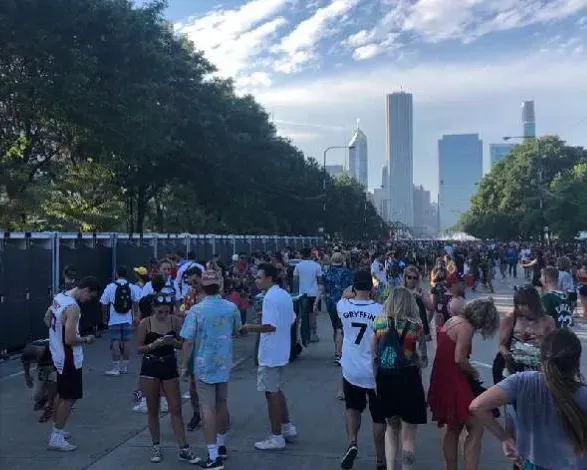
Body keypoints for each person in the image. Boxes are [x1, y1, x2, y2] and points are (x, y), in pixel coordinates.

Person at [470, 328, 587, 469]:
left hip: (532, 464)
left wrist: (505, 438)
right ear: (576, 362)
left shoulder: (522, 381)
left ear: (542, 356)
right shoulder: (582, 394)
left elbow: (477, 406)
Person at [427, 298, 500, 470]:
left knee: (453, 427)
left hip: (442, 377)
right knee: (476, 425)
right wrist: (473, 371)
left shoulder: (453, 320)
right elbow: (459, 358)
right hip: (454, 379)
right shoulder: (466, 327)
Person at [180, 270, 242, 469]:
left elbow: (188, 341)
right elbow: (237, 330)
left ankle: (213, 454)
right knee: (222, 403)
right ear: (220, 286)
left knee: (207, 408)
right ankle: (222, 446)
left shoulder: (196, 311)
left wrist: (184, 365)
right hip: (223, 363)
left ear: (202, 287)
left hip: (203, 365)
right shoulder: (231, 308)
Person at [136, 292, 200, 464]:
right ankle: (156, 445)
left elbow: (184, 344)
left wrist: (173, 343)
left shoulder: (175, 321)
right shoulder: (145, 323)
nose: (164, 315)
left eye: (167, 311)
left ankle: (183, 448)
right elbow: (139, 348)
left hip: (169, 365)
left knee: (175, 408)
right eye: (160, 312)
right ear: (153, 309)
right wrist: (154, 344)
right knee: (152, 409)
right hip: (150, 366)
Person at [241, 263, 297, 450]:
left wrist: (249, 327)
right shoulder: (283, 295)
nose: (257, 280)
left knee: (270, 393)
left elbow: (269, 326)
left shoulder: (270, 298)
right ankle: (287, 427)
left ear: (270, 278)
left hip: (271, 353)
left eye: (259, 277)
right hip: (281, 350)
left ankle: (276, 436)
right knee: (276, 390)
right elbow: (290, 319)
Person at [372, 287, 428, 470]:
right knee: (409, 435)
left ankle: (390, 467)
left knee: (391, 428)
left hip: (386, 379)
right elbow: (423, 359)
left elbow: (374, 354)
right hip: (408, 380)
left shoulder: (379, 323)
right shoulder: (415, 327)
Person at [43, 276, 100, 451]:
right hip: (69, 358)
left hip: (57, 354)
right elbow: (70, 339)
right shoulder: (73, 308)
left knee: (62, 393)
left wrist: (56, 336)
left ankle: (56, 427)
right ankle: (56, 436)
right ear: (86, 290)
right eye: (90, 296)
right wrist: (86, 339)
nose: (88, 300)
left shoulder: (59, 297)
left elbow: (46, 318)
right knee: (70, 397)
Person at [336, 270, 385, 470]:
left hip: (351, 367)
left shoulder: (343, 306)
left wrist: (351, 292)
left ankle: (352, 442)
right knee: (379, 417)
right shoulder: (380, 309)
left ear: (355, 286)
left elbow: (344, 294)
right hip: (374, 369)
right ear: (371, 287)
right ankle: (381, 459)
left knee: (352, 408)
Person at [100, 265, 139, 376]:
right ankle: (125, 367)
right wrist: (135, 315)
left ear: (116, 274)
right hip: (127, 320)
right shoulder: (131, 287)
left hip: (114, 320)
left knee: (115, 342)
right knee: (126, 342)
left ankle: (116, 368)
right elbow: (135, 302)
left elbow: (103, 303)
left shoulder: (110, 287)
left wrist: (105, 317)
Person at [21, 339, 57, 422]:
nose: (38, 358)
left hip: (55, 365)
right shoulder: (27, 352)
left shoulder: (52, 347)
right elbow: (26, 363)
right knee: (37, 395)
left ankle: (51, 406)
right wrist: (27, 377)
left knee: (55, 383)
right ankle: (45, 399)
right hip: (42, 367)